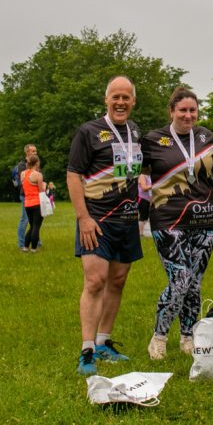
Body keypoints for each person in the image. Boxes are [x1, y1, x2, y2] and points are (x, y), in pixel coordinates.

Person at [67, 75, 143, 376]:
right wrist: (83, 218)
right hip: (96, 221)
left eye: (126, 97)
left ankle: (104, 342)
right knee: (95, 281)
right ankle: (86, 350)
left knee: (118, 282)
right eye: (116, 97)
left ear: (133, 101)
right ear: (106, 100)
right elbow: (73, 175)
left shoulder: (135, 132)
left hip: (127, 220)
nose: (121, 102)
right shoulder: (88, 132)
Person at [142, 86, 213, 360]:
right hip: (168, 220)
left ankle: (187, 337)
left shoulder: (206, 136)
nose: (188, 115)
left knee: (194, 283)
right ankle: (159, 337)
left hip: (204, 220)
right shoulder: (153, 140)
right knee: (180, 279)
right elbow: (136, 170)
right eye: (183, 110)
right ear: (172, 111)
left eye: (192, 110)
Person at [14, 144, 41, 251]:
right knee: (25, 220)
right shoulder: (22, 165)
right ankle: (22, 244)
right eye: (33, 151)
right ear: (27, 152)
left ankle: (36, 242)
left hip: (35, 196)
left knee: (35, 222)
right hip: (26, 196)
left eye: (36, 151)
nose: (35, 153)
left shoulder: (36, 164)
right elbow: (24, 181)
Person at [21, 155, 45, 252]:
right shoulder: (38, 175)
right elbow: (41, 191)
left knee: (32, 226)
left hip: (27, 204)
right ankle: (34, 248)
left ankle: (26, 247)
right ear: (37, 163)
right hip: (37, 203)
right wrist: (45, 185)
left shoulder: (23, 174)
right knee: (36, 226)